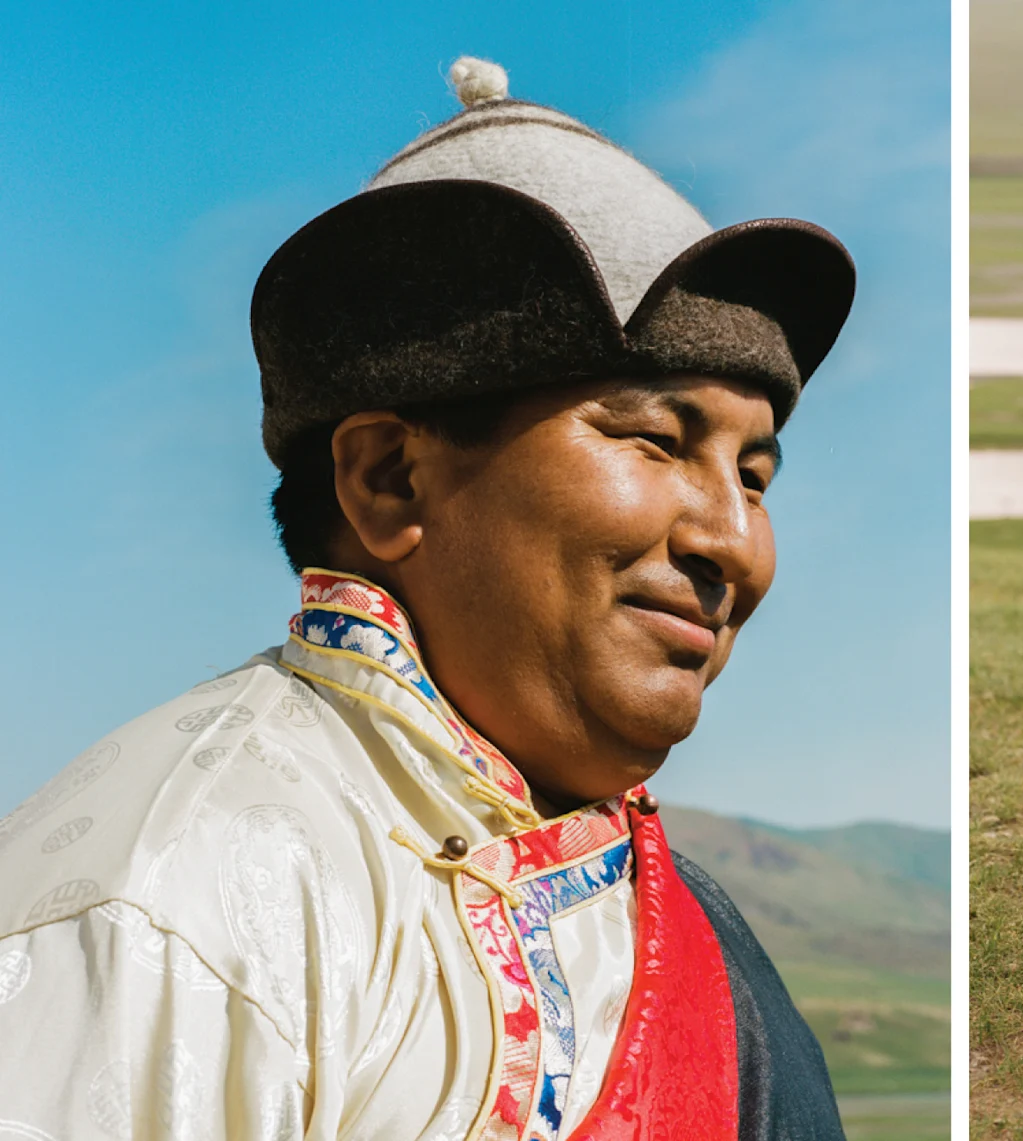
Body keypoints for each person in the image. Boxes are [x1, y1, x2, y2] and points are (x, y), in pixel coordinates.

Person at [0, 57, 857, 1138]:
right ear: (389, 478)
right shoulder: (179, 906)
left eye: (754, 477)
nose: (733, 541)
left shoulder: (703, 943)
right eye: (653, 439)